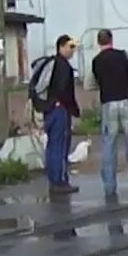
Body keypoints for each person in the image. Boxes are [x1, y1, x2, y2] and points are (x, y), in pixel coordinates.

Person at [91, 28, 128, 196]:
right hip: (126, 101)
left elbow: (88, 83)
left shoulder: (95, 61)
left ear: (99, 42)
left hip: (108, 103)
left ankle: (109, 186)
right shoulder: (123, 55)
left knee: (108, 145)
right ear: (111, 40)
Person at [43, 34, 80, 194]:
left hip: (49, 109)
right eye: (70, 47)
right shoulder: (63, 66)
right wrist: (73, 109)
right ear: (61, 47)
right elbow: (64, 90)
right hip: (60, 110)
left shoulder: (52, 64)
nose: (73, 51)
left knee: (52, 145)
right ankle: (60, 181)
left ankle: (53, 179)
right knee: (60, 146)